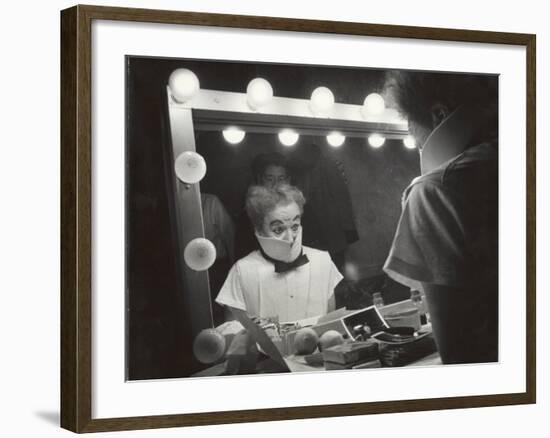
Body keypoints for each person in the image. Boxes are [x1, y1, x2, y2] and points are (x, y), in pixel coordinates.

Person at [382, 71, 499, 364]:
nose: (416, 143)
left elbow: (458, 350)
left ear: (439, 114)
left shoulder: (434, 191)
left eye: (411, 129)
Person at [216, 184, 343, 323]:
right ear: (259, 230)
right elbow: (233, 332)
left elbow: (332, 324)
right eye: (278, 230)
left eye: (295, 226)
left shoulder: (322, 261)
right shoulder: (242, 270)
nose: (290, 238)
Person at [234, 152, 292, 260]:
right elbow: (242, 255)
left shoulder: (303, 211)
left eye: (281, 179)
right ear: (260, 180)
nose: (276, 185)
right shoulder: (248, 215)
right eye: (269, 179)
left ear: (288, 181)